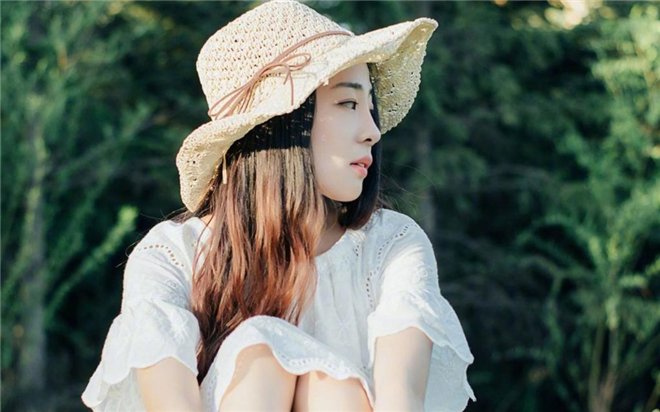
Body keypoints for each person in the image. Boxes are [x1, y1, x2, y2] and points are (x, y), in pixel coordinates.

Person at [80, 0, 476, 411]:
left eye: (369, 107)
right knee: (263, 349)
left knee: (332, 385)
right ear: (282, 122)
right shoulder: (172, 257)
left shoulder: (391, 245)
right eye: (348, 104)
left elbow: (400, 401)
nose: (372, 131)